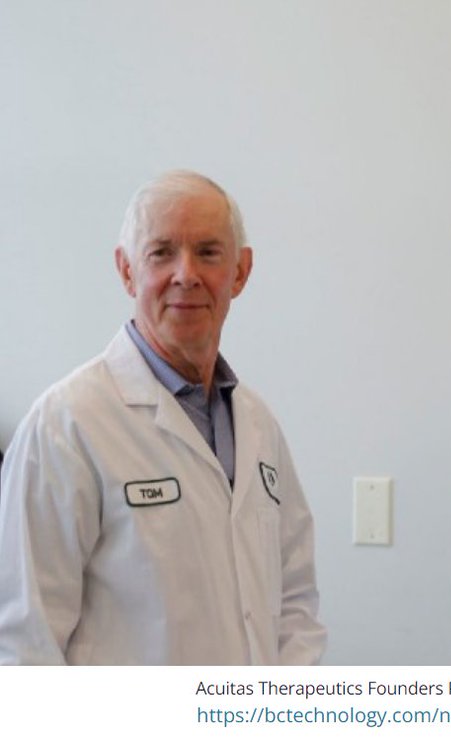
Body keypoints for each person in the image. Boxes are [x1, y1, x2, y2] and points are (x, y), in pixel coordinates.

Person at [0, 171, 326, 664]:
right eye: (161, 253)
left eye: (208, 253)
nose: (186, 274)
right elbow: (26, 646)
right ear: (127, 270)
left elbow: (295, 599)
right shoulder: (66, 425)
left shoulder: (257, 424)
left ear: (240, 272)